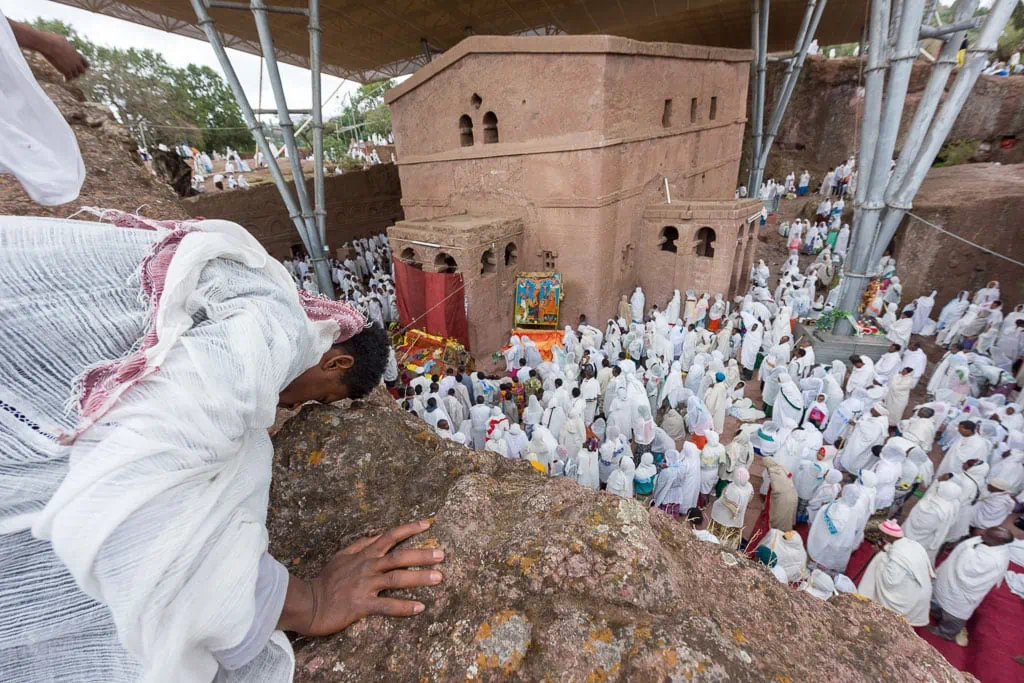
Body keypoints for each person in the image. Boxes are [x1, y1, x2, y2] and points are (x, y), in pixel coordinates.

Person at [0, 214, 445, 680]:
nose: (295, 406)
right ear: (336, 360)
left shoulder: (255, 285)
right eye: (319, 396)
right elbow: (132, 515)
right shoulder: (267, 331)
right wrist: (309, 603)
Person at [930, 527, 1013, 645]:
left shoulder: (994, 559)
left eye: (987, 534)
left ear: (998, 541)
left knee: (952, 618)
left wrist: (968, 551)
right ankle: (937, 613)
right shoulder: (984, 542)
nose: (982, 533)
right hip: (948, 582)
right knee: (937, 599)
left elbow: (968, 569)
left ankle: (945, 634)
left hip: (962, 594)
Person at [858, 537, 934, 627]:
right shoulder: (913, 550)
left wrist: (880, 558)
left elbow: (890, 581)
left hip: (909, 597)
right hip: (920, 594)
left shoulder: (894, 559)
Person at [807, 486, 861, 574]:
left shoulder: (842, 508)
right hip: (843, 541)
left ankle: (820, 573)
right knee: (831, 560)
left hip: (834, 541)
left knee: (826, 558)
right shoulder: (848, 506)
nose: (856, 499)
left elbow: (835, 528)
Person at [707, 467, 752, 550]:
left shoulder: (733, 489)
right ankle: (728, 549)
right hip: (738, 519)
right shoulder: (749, 486)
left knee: (719, 537)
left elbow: (726, 502)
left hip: (723, 518)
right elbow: (749, 498)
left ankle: (715, 548)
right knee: (731, 537)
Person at [763, 456, 798, 532]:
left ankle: (778, 534)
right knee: (788, 515)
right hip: (793, 493)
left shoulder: (772, 473)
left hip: (783, 498)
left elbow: (776, 489)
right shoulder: (782, 468)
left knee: (779, 517)